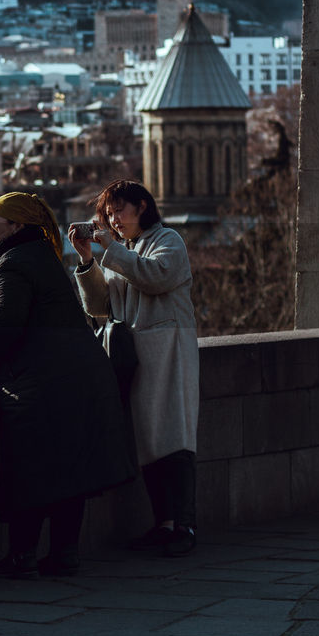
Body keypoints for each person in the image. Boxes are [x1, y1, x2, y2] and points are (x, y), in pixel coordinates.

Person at [0, 192, 133, 578]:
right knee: (70, 473)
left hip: (43, 387)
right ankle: (64, 554)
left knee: (29, 474)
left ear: (17, 226)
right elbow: (6, 318)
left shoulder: (14, 265)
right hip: (79, 379)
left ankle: (22, 558)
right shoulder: (40, 258)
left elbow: (3, 322)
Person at [68, 180, 200, 557]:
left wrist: (108, 248)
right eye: (108, 214)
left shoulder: (168, 240)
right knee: (150, 441)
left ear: (142, 207)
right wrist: (87, 259)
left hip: (168, 351)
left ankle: (183, 525)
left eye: (119, 210)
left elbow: (156, 276)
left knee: (174, 436)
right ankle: (164, 524)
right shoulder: (122, 250)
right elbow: (98, 305)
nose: (113, 218)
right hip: (139, 354)